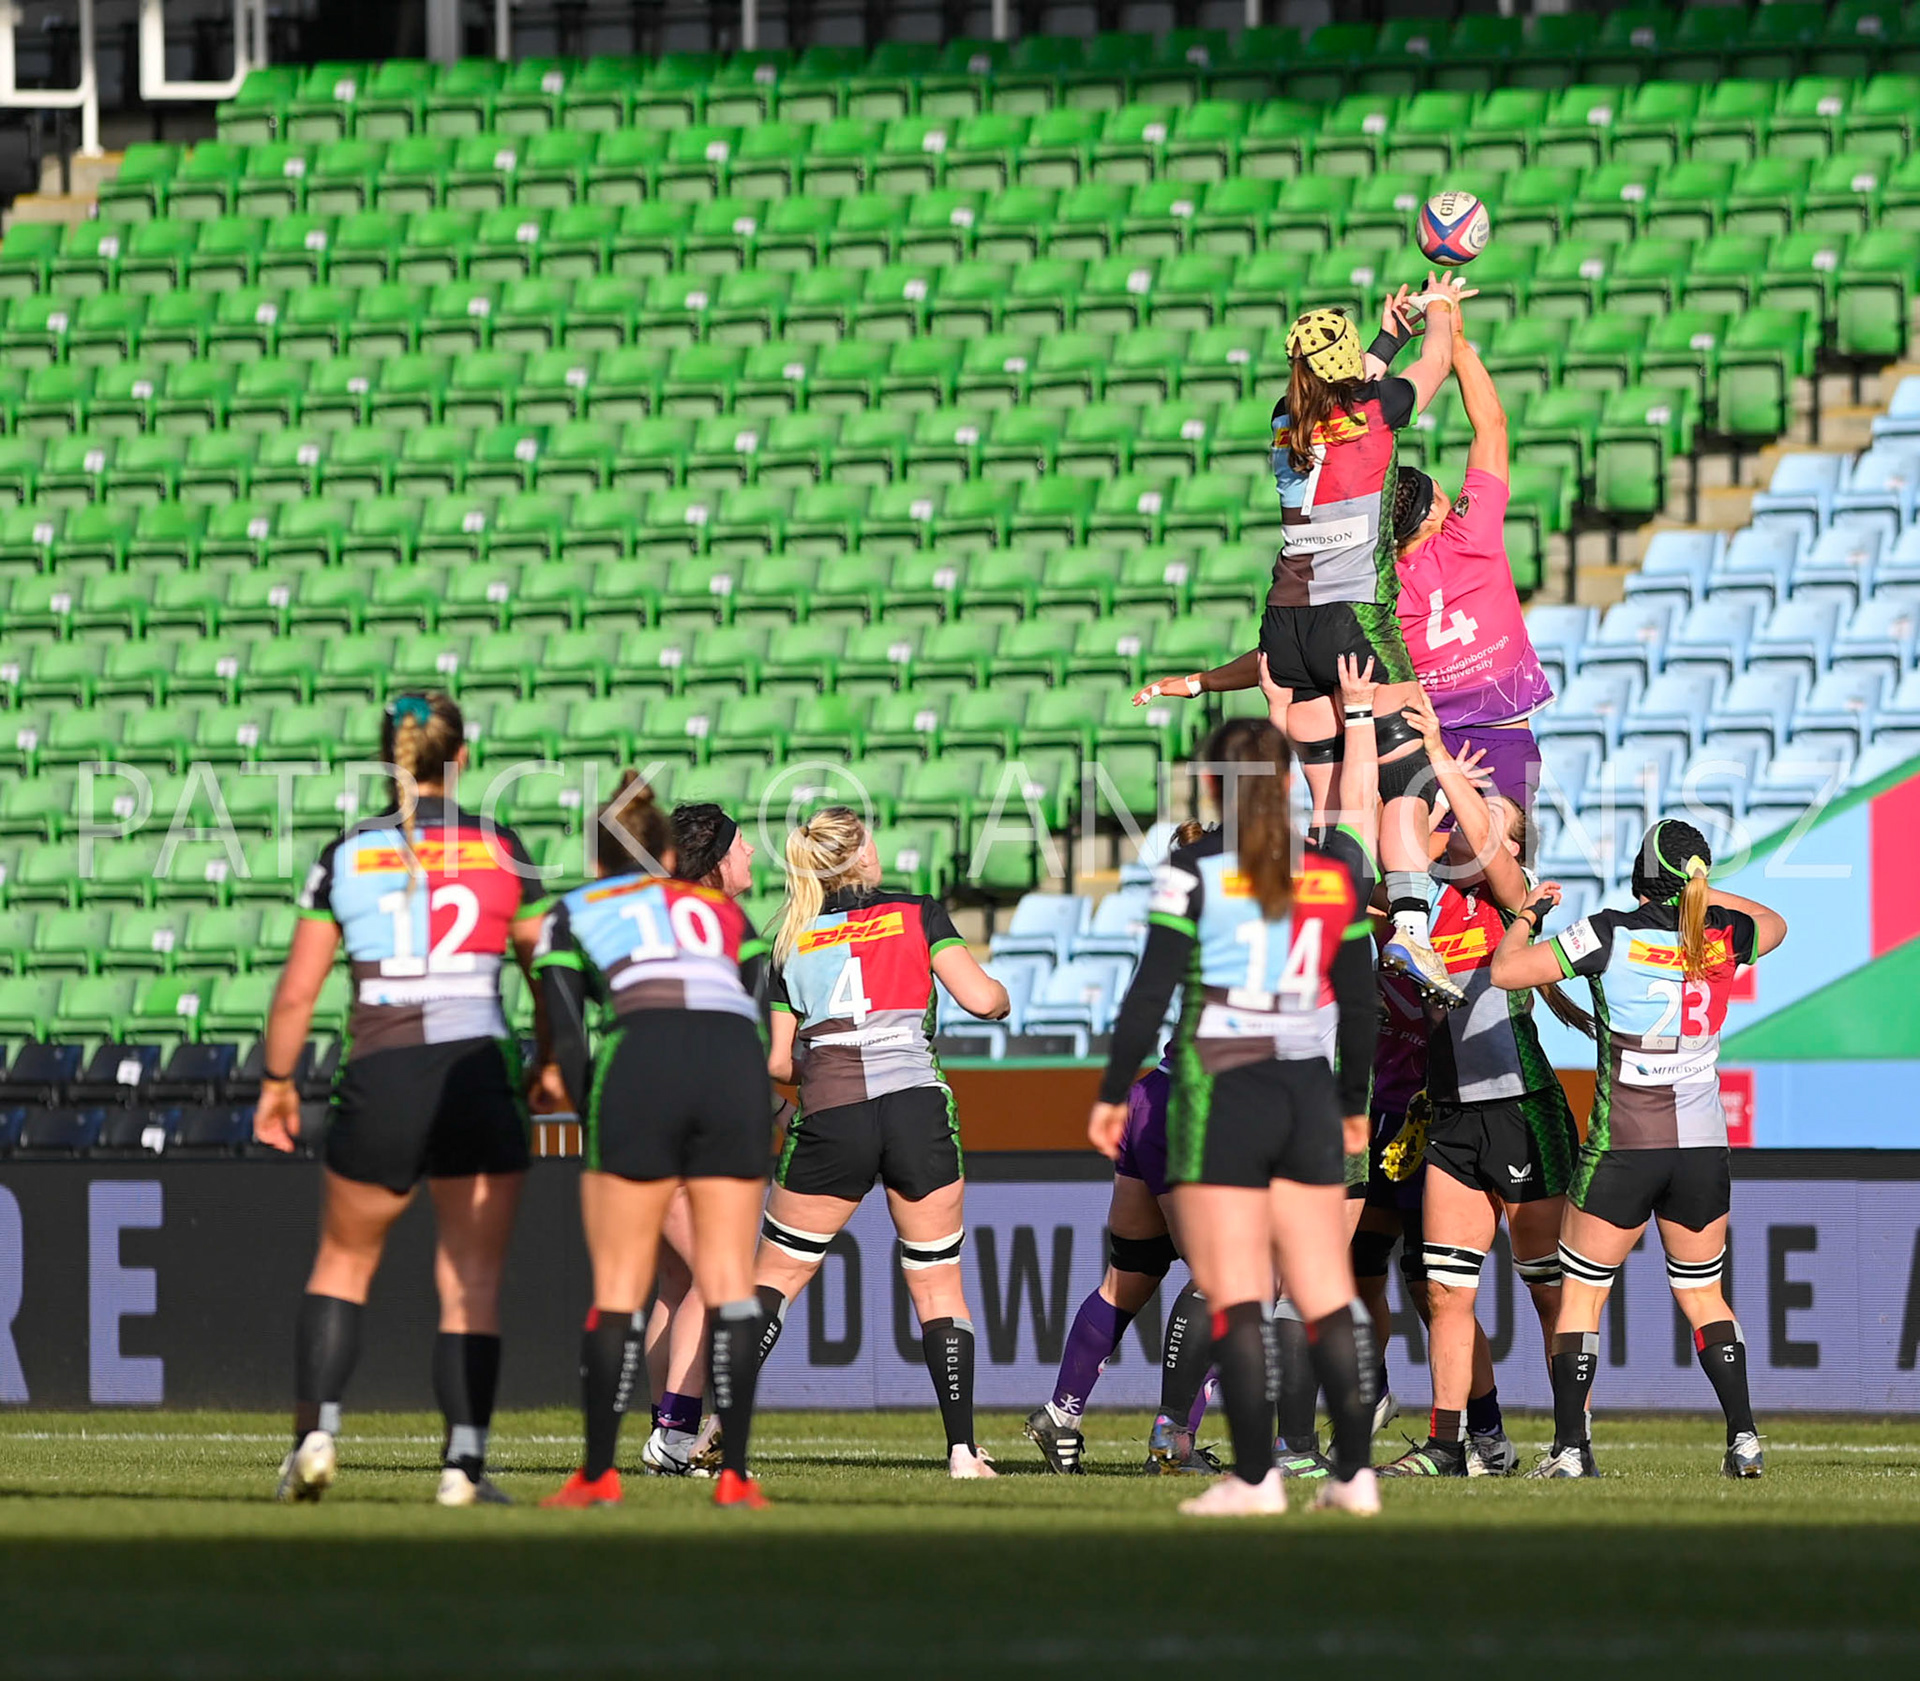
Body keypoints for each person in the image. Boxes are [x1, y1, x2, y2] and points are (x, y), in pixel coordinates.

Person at [1130, 276, 1478, 1007]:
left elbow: (1343, 395)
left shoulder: (1285, 424)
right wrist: (1438, 309)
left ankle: (1333, 926)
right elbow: (1438, 364)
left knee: (1326, 786)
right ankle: (1411, 929)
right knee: (1405, 768)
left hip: (1283, 628)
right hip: (1352, 618)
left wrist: (1387, 337)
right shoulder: (1377, 413)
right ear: (1350, 366)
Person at [255, 692, 549, 1507]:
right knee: (473, 1278)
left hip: (380, 1073)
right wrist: (554, 1059)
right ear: (463, 755)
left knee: (343, 1263)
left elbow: (296, 994)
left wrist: (278, 1083)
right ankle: (462, 1466)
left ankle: (315, 1437)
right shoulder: (502, 848)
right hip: (476, 1074)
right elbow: (546, 972)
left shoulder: (346, 852)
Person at [1089, 705, 1383, 1518]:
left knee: (1238, 1292)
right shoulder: (1333, 875)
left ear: (1213, 784)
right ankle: (1352, 1472)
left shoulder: (1192, 867)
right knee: (1326, 1289)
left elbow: (1151, 991)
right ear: (1289, 781)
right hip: (1306, 1089)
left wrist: (1114, 1091)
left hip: (1224, 1090)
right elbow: (1360, 1004)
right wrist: (1353, 1104)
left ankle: (1256, 1479)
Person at [1488, 819, 1787, 1479]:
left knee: (1581, 1297)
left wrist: (1529, 914)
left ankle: (1570, 1449)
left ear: (1641, 870)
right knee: (1704, 1294)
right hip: (1703, 1146)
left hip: (1625, 1145)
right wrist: (1704, 897)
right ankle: (1744, 1438)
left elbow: (1507, 971)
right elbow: (1776, 921)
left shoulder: (1606, 930)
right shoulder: (1724, 936)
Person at [534, 775, 774, 1510]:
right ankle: (733, 1475)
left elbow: (567, 1033)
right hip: (734, 1074)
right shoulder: (728, 918)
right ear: (667, 850)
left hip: (642, 1066)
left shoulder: (574, 909)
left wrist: (593, 1105)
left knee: (619, 1289)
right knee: (727, 1281)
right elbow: (757, 1010)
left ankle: (598, 1471)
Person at [751, 806, 1011, 1478]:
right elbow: (983, 1000)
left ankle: (723, 1434)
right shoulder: (918, 911)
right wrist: (1003, 995)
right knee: (937, 1282)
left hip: (831, 1113)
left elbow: (779, 1064)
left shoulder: (790, 938)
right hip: (915, 1110)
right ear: (863, 849)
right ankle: (961, 1450)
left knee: (773, 1282)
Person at [1376, 692, 1587, 1480]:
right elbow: (1382, 848)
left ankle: (1573, 1441)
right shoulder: (1421, 903)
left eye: (1492, 814)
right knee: (1445, 1292)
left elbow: (1493, 856)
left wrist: (1438, 758)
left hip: (1523, 1108)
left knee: (1548, 1292)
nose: (1473, 825)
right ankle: (1448, 1444)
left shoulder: (1516, 890)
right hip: (1455, 1115)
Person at [1022, 822, 1222, 1478]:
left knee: (1127, 1278)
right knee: (1230, 1280)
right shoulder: (1245, 909)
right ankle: (1175, 1443)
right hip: (1203, 1103)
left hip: (1150, 1094)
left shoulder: (1184, 911)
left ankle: (1062, 1411)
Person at [636, 802, 759, 1479]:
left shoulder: (655, 917)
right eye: (741, 847)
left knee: (675, 1283)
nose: (751, 857)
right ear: (714, 860)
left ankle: (668, 1435)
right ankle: (676, 1434)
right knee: (717, 1274)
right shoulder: (718, 925)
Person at [1389, 322, 1554, 813]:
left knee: (1421, 881)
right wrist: (1456, 339)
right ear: (1438, 502)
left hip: (1429, 751)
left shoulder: (1381, 589)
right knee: (1502, 879)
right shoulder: (1471, 535)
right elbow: (1492, 426)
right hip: (1502, 745)